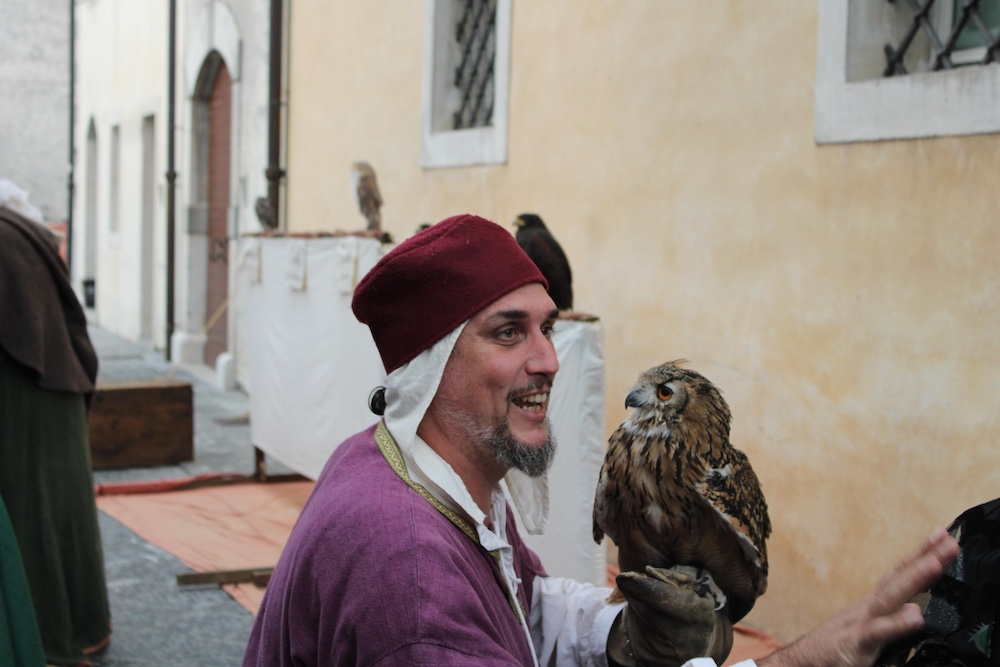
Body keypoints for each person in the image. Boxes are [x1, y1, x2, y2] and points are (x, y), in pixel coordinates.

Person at [243, 213, 958, 667]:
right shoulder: (410, 574)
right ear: (432, 366)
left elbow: (523, 605)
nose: (549, 360)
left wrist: (622, 633)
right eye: (507, 331)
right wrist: (804, 661)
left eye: (547, 327)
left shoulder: (413, 470)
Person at [0, 182, 112, 666]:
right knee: (57, 519)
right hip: (50, 390)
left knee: (31, 521)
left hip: (23, 402)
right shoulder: (21, 232)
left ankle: (44, 637)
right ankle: (76, 627)